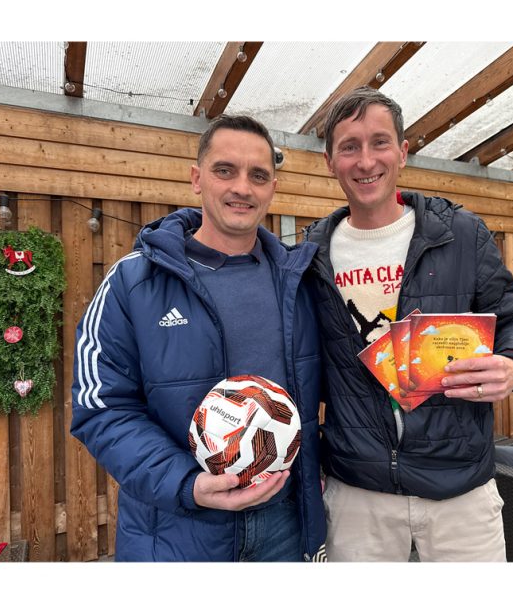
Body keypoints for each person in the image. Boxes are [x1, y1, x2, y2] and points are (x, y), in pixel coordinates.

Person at [70, 115, 326, 561]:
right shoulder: (133, 282)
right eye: (225, 170)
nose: (242, 188)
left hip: (284, 525)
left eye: (258, 176)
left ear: (273, 188)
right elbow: (101, 407)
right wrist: (187, 484)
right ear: (196, 178)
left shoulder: (301, 281)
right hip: (177, 529)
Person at [304, 86, 513, 562]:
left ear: (403, 151)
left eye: (379, 142)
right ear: (329, 161)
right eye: (349, 147)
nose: (366, 160)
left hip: (461, 491)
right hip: (359, 494)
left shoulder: (460, 234)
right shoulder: (310, 256)